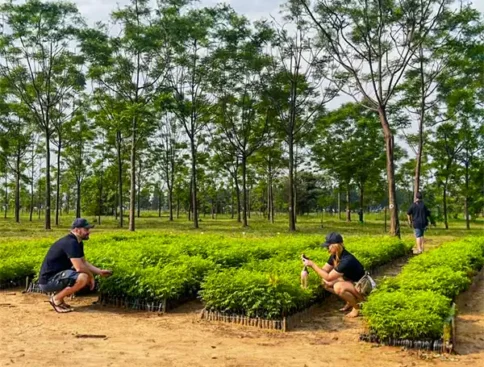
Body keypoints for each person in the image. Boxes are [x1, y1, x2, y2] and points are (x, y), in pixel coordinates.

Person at [38, 218, 112, 313]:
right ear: (77, 230)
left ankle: (59, 300)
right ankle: (55, 299)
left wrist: (99, 271)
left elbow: (83, 262)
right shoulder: (71, 243)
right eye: (86, 229)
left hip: (55, 277)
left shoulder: (78, 242)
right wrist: (91, 276)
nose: (89, 232)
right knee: (83, 277)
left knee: (82, 275)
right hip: (48, 282)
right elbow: (79, 267)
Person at [302, 232, 366, 318]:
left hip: (362, 286)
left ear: (335, 246)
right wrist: (310, 263)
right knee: (325, 283)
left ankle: (357, 307)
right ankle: (350, 301)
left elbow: (328, 277)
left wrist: (313, 265)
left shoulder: (346, 260)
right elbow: (324, 271)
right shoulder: (335, 256)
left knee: (338, 287)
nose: (327, 249)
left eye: (328, 246)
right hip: (351, 282)